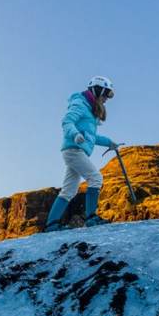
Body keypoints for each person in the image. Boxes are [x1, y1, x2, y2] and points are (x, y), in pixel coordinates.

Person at [44, 76, 122, 232]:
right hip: (73, 150)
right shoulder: (80, 103)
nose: (106, 99)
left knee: (69, 190)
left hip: (76, 151)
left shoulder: (90, 111)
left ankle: (51, 225)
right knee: (95, 177)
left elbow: (92, 137)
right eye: (105, 94)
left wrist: (109, 142)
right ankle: (91, 218)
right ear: (97, 90)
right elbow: (67, 122)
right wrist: (75, 135)